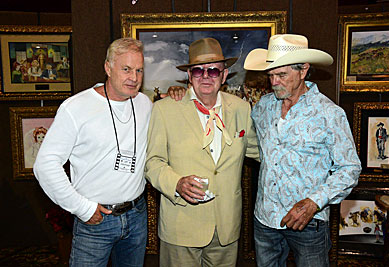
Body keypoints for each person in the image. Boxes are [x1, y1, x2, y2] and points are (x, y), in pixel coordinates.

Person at [244, 34, 362, 266]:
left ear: (303, 70)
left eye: (281, 75)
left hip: (309, 224)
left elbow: (349, 169)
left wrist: (313, 202)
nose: (274, 82)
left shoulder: (329, 114)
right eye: (271, 75)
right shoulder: (263, 107)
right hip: (265, 220)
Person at [34, 37, 152, 267]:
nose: (134, 78)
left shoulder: (144, 103)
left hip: (136, 216)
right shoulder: (75, 108)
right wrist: (83, 209)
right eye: (126, 69)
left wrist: (179, 94)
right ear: (108, 68)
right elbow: (45, 165)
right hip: (95, 221)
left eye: (139, 70)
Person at [145, 37, 259, 267]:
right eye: (198, 71)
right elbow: (153, 162)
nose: (205, 76)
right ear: (189, 76)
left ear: (225, 75)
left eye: (213, 71)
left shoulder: (240, 108)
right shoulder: (164, 110)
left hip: (226, 228)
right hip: (181, 227)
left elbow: (261, 152)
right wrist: (176, 183)